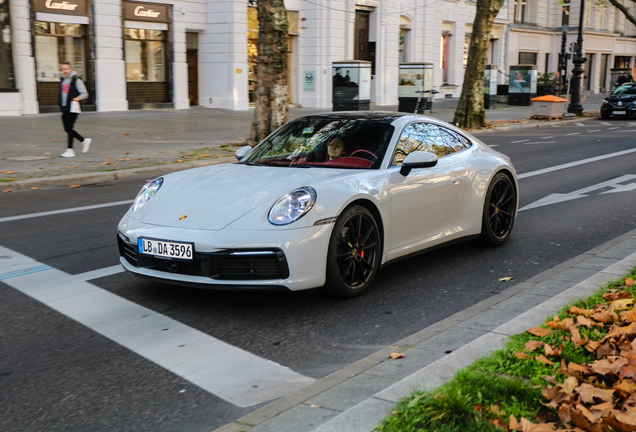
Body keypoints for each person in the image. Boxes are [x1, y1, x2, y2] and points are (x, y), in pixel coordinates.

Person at [59, 62, 91, 158]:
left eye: (66, 69)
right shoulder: (63, 80)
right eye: (63, 69)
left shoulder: (76, 80)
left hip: (73, 108)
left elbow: (84, 94)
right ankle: (83, 141)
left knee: (69, 128)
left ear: (71, 69)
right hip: (64, 108)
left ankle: (70, 150)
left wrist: (75, 99)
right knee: (68, 129)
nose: (65, 71)